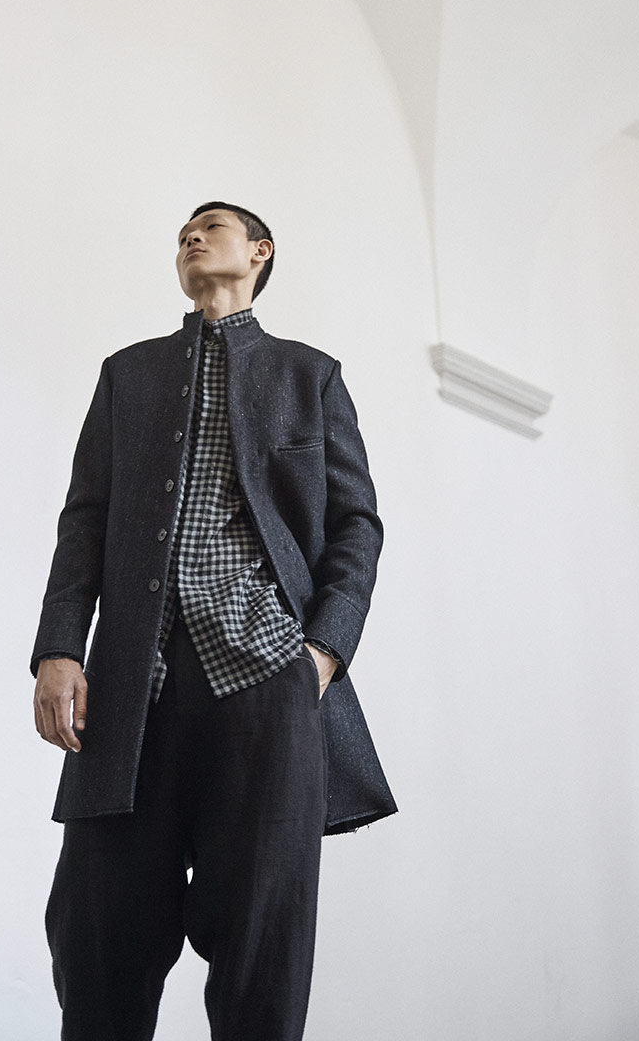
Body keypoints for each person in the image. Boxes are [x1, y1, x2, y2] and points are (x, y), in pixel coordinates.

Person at [31, 201, 396, 1041]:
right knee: (97, 938)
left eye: (212, 227)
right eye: (182, 234)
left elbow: (356, 525)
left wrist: (322, 652)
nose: (191, 238)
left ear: (259, 252)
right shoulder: (128, 374)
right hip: (133, 687)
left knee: (262, 948)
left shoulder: (310, 375)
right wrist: (58, 649)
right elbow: (85, 520)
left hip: (268, 684)